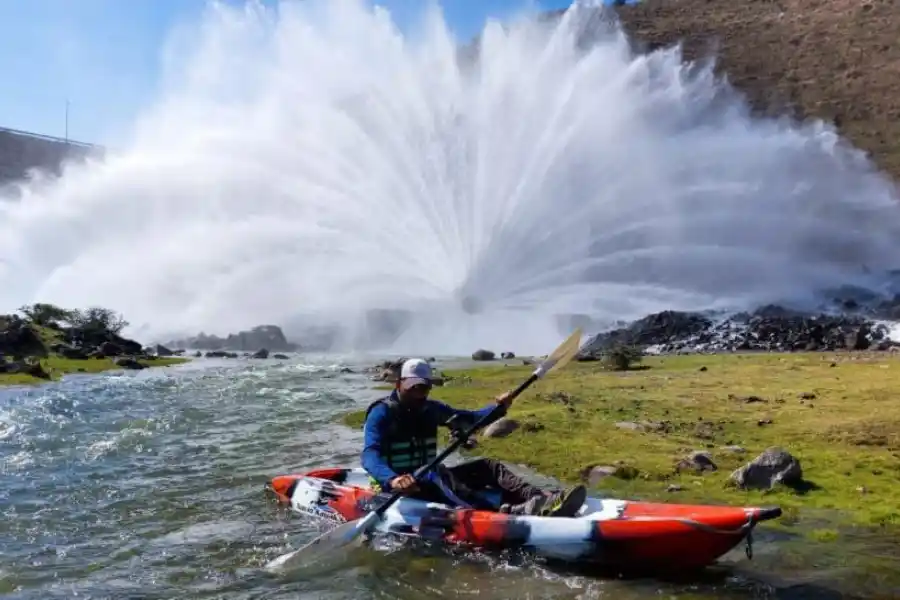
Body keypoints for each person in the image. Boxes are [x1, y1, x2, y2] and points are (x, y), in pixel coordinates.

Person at [361, 358, 587, 517]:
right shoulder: (382, 413)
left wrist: (499, 409)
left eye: (424, 388)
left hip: (426, 478)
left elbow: (470, 419)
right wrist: (392, 479)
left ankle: (541, 499)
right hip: (395, 487)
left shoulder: (431, 409)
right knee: (439, 476)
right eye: (413, 388)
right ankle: (503, 513)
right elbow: (370, 455)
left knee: (488, 466)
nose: (419, 394)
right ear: (399, 384)